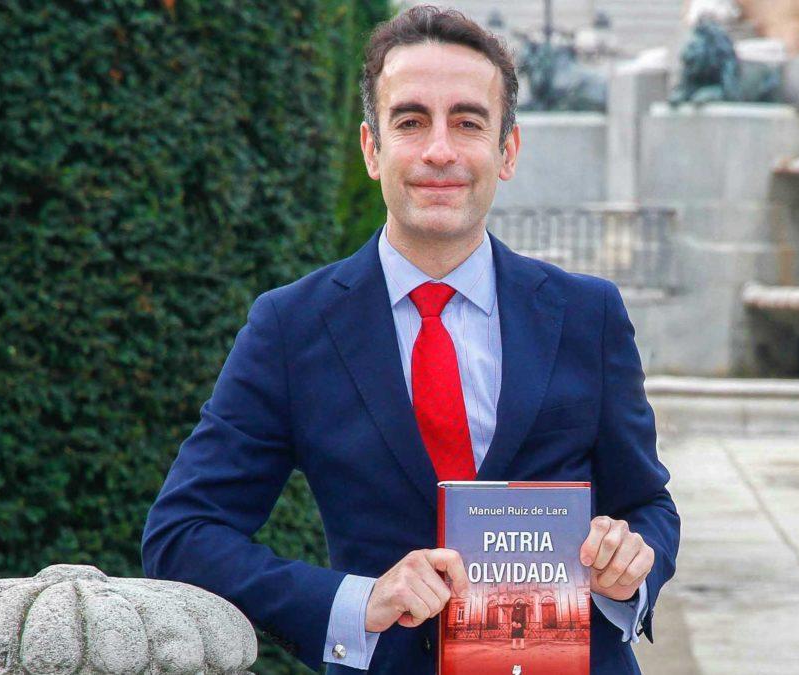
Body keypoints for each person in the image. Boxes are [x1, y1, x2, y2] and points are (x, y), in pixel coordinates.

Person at [141, 6, 679, 674]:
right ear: (372, 149)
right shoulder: (292, 327)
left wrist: (633, 565)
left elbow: (648, 505)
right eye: (411, 121)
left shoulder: (587, 314)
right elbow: (183, 533)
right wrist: (356, 601)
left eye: (468, 122)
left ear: (507, 151)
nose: (440, 151)